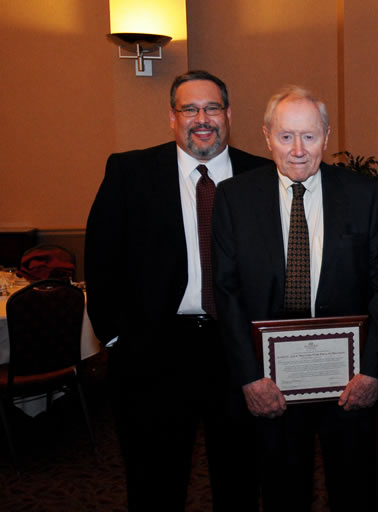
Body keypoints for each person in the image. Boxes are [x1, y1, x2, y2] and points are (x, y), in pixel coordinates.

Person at [85, 70, 270, 510]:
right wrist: (116, 338)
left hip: (238, 350)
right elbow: (101, 257)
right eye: (190, 109)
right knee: (155, 481)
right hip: (155, 353)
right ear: (172, 117)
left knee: (241, 477)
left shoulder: (262, 175)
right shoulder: (129, 172)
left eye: (212, 108)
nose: (201, 118)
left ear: (229, 115)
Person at [211, 85, 378, 511]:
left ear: (326, 138)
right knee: (282, 492)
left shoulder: (363, 195)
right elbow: (227, 291)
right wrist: (250, 377)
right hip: (272, 383)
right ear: (266, 136)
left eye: (309, 136)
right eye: (286, 136)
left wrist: (372, 372)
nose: (297, 149)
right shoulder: (235, 199)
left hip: (349, 383)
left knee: (354, 491)